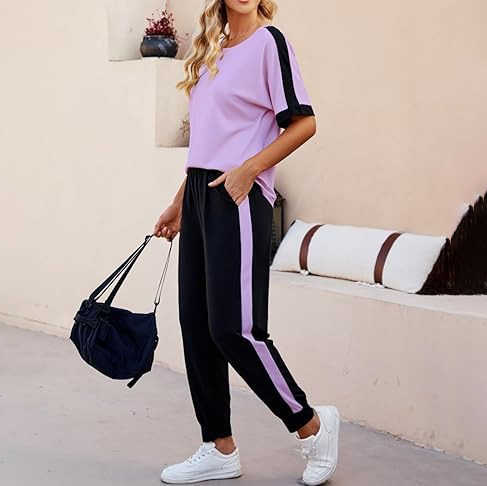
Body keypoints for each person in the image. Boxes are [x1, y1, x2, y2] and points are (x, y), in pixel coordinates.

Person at [153, 1, 340, 484]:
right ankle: (218, 447)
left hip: (238, 195)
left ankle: (311, 426)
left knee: (235, 329)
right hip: (200, 193)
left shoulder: (269, 43)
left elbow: (304, 122)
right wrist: (180, 201)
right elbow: (208, 142)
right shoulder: (213, 49)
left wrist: (249, 171)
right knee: (196, 324)